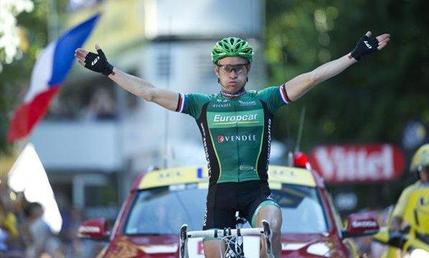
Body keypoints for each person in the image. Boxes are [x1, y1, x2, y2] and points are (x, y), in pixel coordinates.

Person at [75, 31, 390, 257]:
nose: (233, 74)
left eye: (239, 68)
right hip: (219, 199)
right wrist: (108, 70)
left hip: (257, 193)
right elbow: (151, 93)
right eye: (227, 68)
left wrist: (353, 56)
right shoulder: (203, 105)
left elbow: (310, 78)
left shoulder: (264, 101)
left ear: (248, 70)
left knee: (273, 221)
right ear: (216, 70)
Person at [389, 143, 429, 231]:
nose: (425, 173)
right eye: (421, 169)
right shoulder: (410, 192)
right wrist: (395, 231)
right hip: (417, 240)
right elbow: (397, 217)